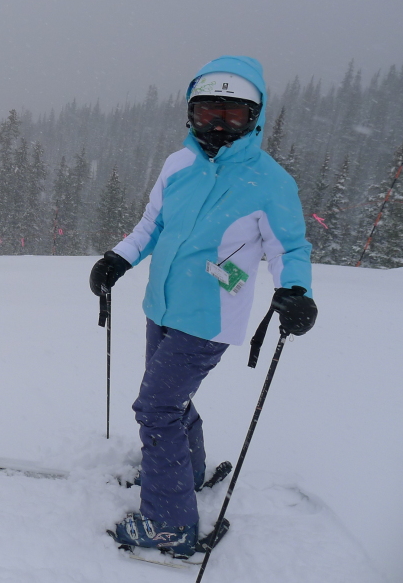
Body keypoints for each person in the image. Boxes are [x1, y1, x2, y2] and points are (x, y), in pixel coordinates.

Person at [89, 55, 318, 558]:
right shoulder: (179, 165)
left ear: (254, 118)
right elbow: (151, 225)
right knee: (169, 404)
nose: (217, 123)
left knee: (156, 409)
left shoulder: (271, 182)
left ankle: (169, 525)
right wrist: (117, 259)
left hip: (210, 319)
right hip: (162, 307)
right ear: (189, 113)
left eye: (233, 114)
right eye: (206, 110)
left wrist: (296, 292)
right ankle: (183, 475)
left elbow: (289, 249)